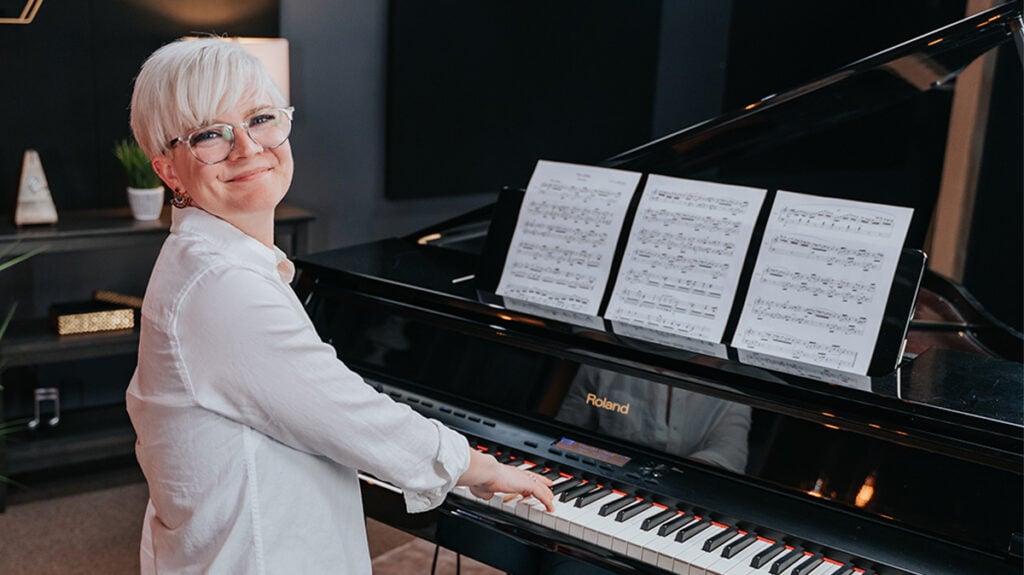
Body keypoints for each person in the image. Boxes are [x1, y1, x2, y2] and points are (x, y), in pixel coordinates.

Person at [125, 37, 554, 574]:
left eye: (261, 119)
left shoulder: (212, 260)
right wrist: (477, 465)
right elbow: (346, 416)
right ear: (168, 171)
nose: (248, 148)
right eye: (210, 134)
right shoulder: (220, 284)